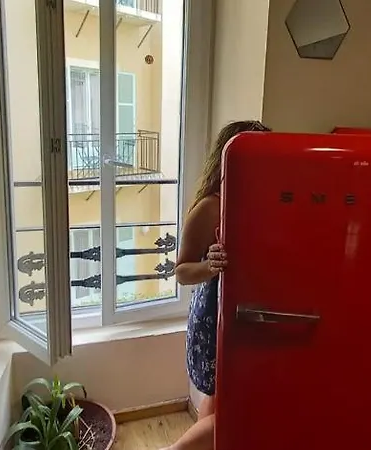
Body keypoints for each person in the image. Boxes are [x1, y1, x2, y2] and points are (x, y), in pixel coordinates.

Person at [162, 120, 271, 450]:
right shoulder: (211, 206)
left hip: (246, 316)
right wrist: (210, 267)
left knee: (220, 401)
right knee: (233, 409)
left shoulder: (264, 200)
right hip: (216, 319)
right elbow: (181, 271)